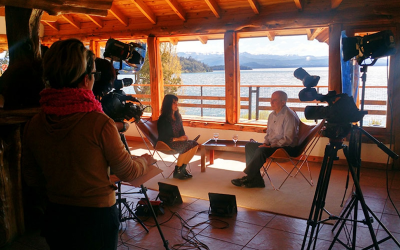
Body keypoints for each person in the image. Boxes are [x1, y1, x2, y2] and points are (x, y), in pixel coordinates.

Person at [22, 38, 156, 250]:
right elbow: (129, 172)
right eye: (95, 75)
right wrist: (145, 162)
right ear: (86, 80)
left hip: (55, 216)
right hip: (96, 218)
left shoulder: (33, 124)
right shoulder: (99, 123)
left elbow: (31, 176)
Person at [231, 90, 300, 188]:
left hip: (286, 147)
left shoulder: (289, 116)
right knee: (250, 146)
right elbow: (269, 134)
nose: (271, 102)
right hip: (273, 145)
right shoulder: (272, 115)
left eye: (274, 100)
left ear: (283, 102)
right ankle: (257, 180)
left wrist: (270, 146)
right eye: (271, 99)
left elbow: (288, 139)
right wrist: (266, 143)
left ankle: (249, 177)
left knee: (261, 150)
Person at [157, 94, 199, 180]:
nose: (176, 105)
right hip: (167, 142)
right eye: (174, 103)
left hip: (178, 141)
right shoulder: (163, 119)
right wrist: (178, 139)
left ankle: (182, 169)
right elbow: (163, 137)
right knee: (186, 146)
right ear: (168, 104)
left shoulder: (178, 116)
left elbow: (181, 131)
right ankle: (177, 171)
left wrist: (184, 136)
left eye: (177, 103)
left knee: (195, 144)